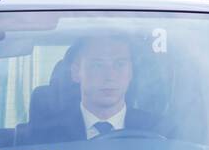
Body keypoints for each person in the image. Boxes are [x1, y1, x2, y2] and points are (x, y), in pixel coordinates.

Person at [33, 34, 165, 142]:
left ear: (131, 72)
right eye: (97, 65)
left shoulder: (160, 132)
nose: (110, 76)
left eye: (120, 64)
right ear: (76, 73)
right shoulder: (42, 138)